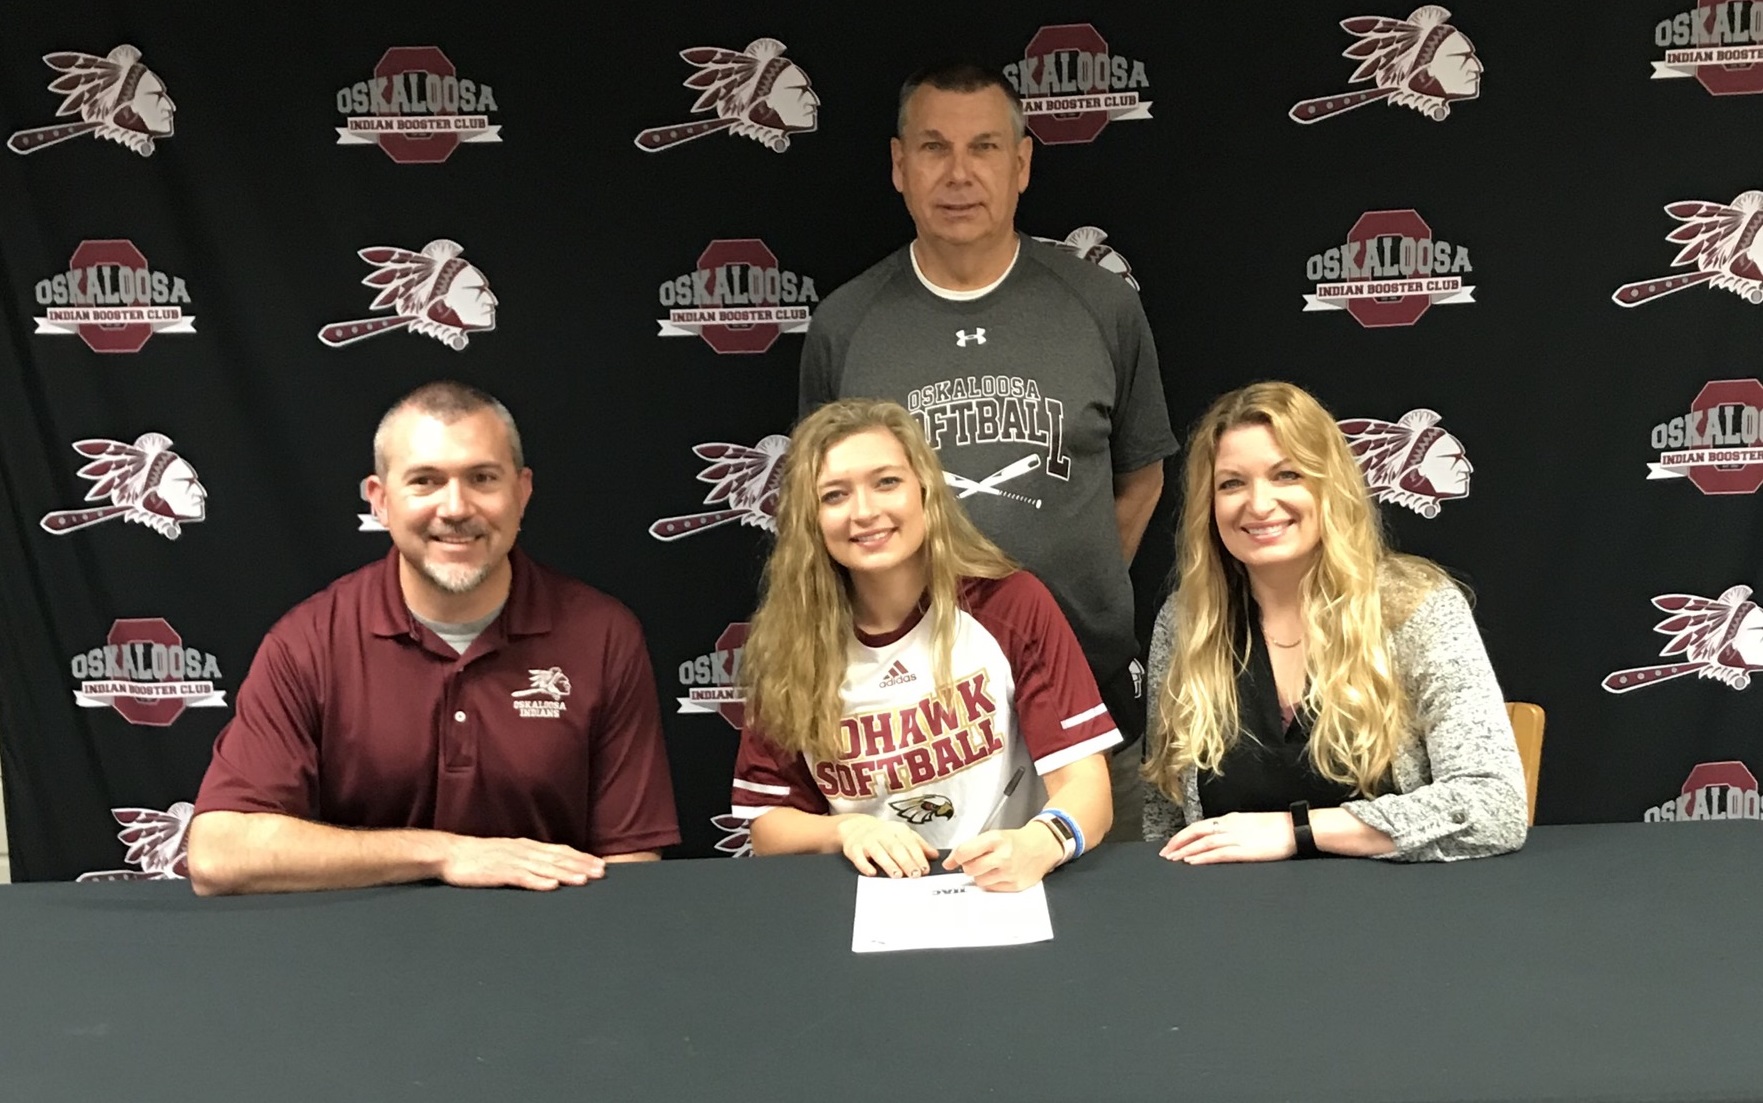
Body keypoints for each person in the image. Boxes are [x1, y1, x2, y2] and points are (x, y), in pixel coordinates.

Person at [798, 60, 1176, 839]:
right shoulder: (846, 324)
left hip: (1085, 699)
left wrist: (1062, 599)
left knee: (1102, 903)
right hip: (915, 726)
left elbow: (1141, 476)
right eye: (933, 148)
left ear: (1022, 163)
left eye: (984, 147)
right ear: (898, 165)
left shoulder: (1100, 305)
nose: (959, 174)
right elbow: (821, 499)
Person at [187, 382, 679, 894]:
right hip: (362, 938)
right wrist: (446, 854)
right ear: (380, 501)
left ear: (522, 491)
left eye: (482, 478)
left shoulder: (602, 635)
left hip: (550, 937)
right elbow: (219, 854)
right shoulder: (309, 642)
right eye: (425, 481)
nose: (456, 508)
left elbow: (630, 861)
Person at [731, 399, 1119, 891]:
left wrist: (1041, 842)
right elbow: (768, 825)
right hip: (871, 896)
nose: (865, 512)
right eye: (834, 495)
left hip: (1004, 890)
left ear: (926, 490)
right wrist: (847, 830)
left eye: (886, 482)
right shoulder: (790, 643)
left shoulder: (1009, 605)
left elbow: (1087, 786)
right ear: (810, 518)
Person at [1141, 382, 1527, 863]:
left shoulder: (1414, 607)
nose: (1258, 504)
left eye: (1287, 475)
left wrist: (1297, 831)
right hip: (1230, 906)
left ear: (1331, 485)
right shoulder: (1186, 623)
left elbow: (1494, 808)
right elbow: (1164, 821)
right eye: (1232, 483)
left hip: (1396, 904)